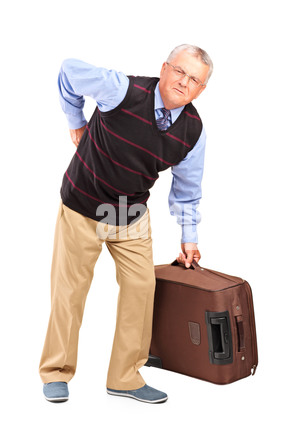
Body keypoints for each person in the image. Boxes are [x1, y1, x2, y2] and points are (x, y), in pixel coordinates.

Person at [39, 44, 213, 404]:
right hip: (83, 205)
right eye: (180, 71)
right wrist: (76, 122)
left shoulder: (193, 134)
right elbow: (70, 69)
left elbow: (187, 190)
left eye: (194, 79)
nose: (184, 82)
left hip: (129, 214)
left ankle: (125, 378)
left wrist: (189, 236)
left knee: (141, 289)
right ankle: (56, 372)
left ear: (201, 90)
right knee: (68, 293)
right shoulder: (122, 90)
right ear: (164, 68)